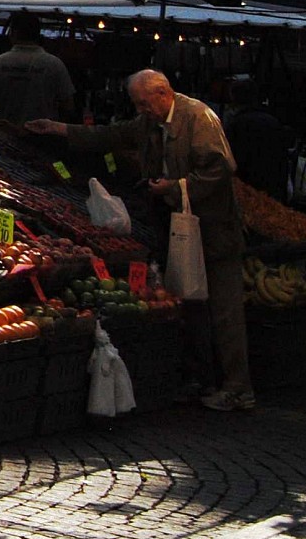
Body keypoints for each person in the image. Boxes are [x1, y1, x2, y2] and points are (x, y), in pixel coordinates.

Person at [29, 69, 251, 410]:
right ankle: (202, 380)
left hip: (213, 230)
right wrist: (59, 129)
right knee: (191, 307)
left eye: (144, 103)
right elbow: (113, 135)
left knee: (224, 311)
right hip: (178, 229)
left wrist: (175, 187)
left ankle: (238, 388)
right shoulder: (148, 122)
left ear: (163, 93)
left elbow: (221, 169)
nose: (141, 110)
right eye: (137, 104)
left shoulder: (198, 118)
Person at [0, 11, 76, 123]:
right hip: (44, 135)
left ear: (12, 33)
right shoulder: (55, 65)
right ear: (38, 34)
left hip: (4, 134)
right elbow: (68, 105)